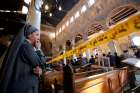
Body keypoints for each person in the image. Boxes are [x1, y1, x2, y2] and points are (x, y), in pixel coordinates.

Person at [0, 24, 45, 93]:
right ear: (29, 35)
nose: (38, 38)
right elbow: (40, 62)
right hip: (24, 88)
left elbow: (36, 65)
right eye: (36, 35)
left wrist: (39, 69)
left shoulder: (24, 46)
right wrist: (39, 49)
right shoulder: (26, 46)